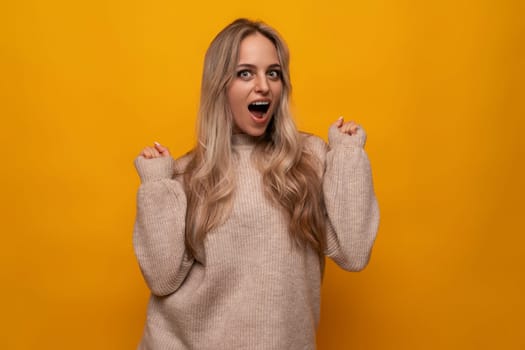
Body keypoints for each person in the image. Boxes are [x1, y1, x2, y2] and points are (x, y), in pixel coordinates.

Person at [133, 18, 379, 350]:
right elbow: (163, 279)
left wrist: (348, 155)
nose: (263, 86)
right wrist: (157, 184)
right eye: (245, 73)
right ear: (220, 85)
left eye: (273, 73)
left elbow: (354, 251)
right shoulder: (187, 173)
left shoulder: (309, 160)